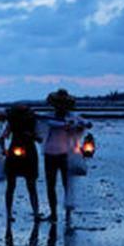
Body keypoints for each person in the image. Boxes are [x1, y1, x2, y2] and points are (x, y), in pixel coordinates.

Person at [41, 89, 91, 221]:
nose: (60, 106)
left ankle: (68, 214)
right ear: (54, 104)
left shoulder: (73, 116)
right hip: (50, 153)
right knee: (50, 185)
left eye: (63, 103)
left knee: (67, 184)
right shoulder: (49, 116)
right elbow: (52, 124)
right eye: (58, 103)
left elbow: (87, 123)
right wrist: (66, 124)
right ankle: (53, 214)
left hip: (65, 154)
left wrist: (81, 124)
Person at [0, 104, 41, 222]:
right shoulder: (13, 123)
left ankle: (35, 212)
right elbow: (3, 137)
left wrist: (4, 150)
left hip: (26, 153)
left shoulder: (31, 122)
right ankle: (11, 214)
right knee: (16, 185)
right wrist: (3, 150)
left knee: (28, 185)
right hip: (21, 153)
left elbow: (39, 138)